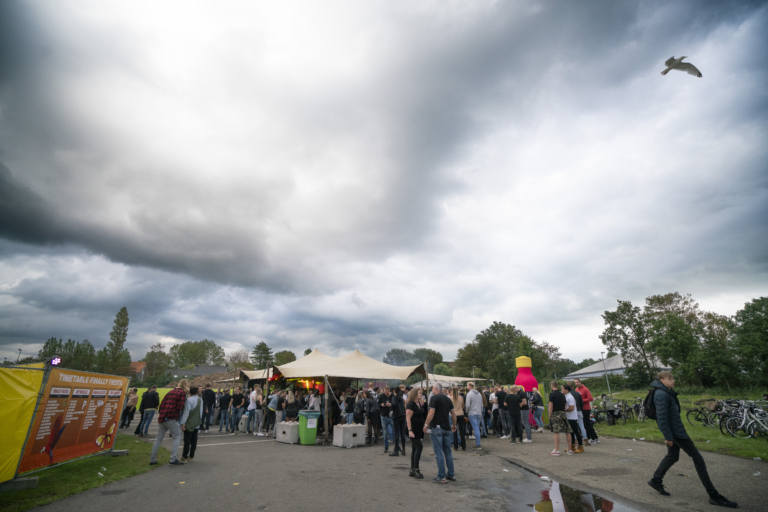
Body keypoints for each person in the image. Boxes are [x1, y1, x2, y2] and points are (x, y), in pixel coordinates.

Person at [648, 372, 737, 508]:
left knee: (672, 456)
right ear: (661, 380)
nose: (672, 380)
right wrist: (668, 437)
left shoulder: (668, 392)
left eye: (673, 378)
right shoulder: (661, 394)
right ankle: (713, 495)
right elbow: (661, 418)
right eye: (669, 379)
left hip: (675, 430)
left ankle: (656, 480)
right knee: (698, 459)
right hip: (676, 433)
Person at [424, 383, 458, 483]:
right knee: (448, 451)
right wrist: (454, 425)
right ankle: (451, 474)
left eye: (432, 389)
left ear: (435, 389)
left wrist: (426, 424)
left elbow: (431, 412)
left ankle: (442, 476)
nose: (432, 390)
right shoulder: (448, 399)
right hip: (447, 428)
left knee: (438, 452)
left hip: (437, 427)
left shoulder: (434, 398)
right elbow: (453, 414)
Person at [150, 379, 188, 466]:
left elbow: (162, 404)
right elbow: (180, 406)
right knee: (177, 436)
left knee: (158, 439)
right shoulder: (182, 393)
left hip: (163, 417)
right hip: (172, 417)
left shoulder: (170, 392)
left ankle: (152, 459)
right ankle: (173, 458)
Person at [548, 380, 573, 456]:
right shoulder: (562, 395)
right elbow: (565, 405)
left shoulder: (552, 395)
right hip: (563, 413)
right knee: (567, 431)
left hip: (555, 414)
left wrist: (550, 415)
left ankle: (557, 450)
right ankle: (569, 449)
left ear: (552, 386)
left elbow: (550, 406)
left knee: (556, 431)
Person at [406, 387, 426, 479]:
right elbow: (408, 418)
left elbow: (422, 413)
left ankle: (412, 469)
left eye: (421, 393)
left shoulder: (419, 403)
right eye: (419, 393)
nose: (421, 394)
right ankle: (416, 469)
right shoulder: (411, 404)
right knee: (419, 447)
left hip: (418, 430)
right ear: (414, 394)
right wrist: (410, 430)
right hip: (413, 430)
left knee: (415, 448)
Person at [180, 386, 203, 462]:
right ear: (197, 392)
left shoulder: (189, 400)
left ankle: (184, 457)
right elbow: (200, 412)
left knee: (187, 441)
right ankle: (191, 455)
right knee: (194, 440)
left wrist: (183, 423)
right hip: (196, 423)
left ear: (189, 392)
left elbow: (186, 413)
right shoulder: (200, 400)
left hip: (189, 423)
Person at [574, 378, 598, 444]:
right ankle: (590, 437)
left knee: (587, 423)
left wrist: (582, 400)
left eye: (577, 382)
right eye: (575, 382)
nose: (576, 383)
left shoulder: (585, 389)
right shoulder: (576, 389)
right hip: (580, 408)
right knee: (584, 424)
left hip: (586, 408)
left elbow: (590, 398)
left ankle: (593, 437)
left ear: (580, 382)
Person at [563, 384, 584, 453]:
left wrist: (564, 410)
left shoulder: (570, 397)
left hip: (572, 417)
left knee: (576, 432)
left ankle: (580, 446)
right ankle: (572, 446)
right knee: (571, 432)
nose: (562, 390)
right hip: (568, 417)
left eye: (563, 389)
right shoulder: (566, 396)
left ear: (566, 390)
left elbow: (572, 408)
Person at [465, 382, 484, 449]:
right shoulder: (479, 394)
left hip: (472, 413)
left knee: (476, 428)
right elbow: (481, 405)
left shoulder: (469, 394)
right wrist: (481, 413)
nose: (466, 387)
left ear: (469, 386)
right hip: (478, 413)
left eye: (467, 385)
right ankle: (478, 442)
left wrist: (467, 412)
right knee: (477, 428)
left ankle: (478, 444)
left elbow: (467, 405)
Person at [390, 387, 407, 456]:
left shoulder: (394, 397)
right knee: (402, 433)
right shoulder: (401, 397)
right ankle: (403, 450)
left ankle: (396, 450)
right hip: (403, 416)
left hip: (396, 416)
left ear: (394, 391)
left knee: (396, 433)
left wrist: (391, 410)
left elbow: (393, 404)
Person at [378, 387, 395, 453]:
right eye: (385, 392)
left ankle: (396, 446)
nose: (386, 393)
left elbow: (395, 404)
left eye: (387, 392)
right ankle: (386, 447)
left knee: (394, 431)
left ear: (389, 391)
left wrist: (391, 405)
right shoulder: (381, 396)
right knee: (385, 433)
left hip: (391, 416)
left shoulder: (393, 396)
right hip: (383, 416)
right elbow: (378, 404)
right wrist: (382, 405)